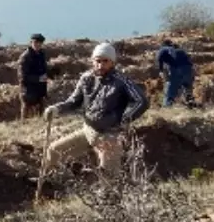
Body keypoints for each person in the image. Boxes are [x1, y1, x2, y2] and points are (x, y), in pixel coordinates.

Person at [43, 41, 148, 177]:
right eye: (98, 61)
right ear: (92, 61)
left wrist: (122, 121)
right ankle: (53, 181)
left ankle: (109, 196)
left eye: (105, 61)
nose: (101, 65)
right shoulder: (86, 78)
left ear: (112, 62)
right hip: (88, 130)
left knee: (109, 176)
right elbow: (74, 101)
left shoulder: (121, 81)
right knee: (53, 151)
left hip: (109, 135)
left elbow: (141, 101)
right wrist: (56, 109)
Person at [156, 39, 198, 108]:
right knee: (187, 89)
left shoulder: (164, 51)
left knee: (170, 92)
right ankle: (191, 104)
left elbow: (163, 66)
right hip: (187, 70)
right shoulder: (182, 51)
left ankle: (167, 108)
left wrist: (165, 77)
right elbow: (190, 64)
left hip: (175, 69)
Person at [18, 33, 50, 119]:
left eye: (40, 43)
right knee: (26, 112)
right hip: (28, 89)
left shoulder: (41, 54)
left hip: (40, 88)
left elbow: (43, 68)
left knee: (40, 114)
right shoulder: (25, 57)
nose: (37, 45)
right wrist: (38, 79)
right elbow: (22, 76)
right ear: (31, 42)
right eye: (35, 42)